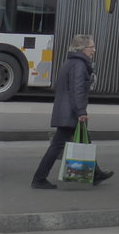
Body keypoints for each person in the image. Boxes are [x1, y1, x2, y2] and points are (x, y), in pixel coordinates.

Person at [30, 34, 114, 189]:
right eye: (91, 47)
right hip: (71, 112)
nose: (94, 50)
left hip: (67, 110)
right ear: (82, 48)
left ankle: (96, 174)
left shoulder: (72, 62)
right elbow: (77, 90)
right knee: (57, 145)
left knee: (84, 141)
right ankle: (39, 178)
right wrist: (81, 111)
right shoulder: (79, 65)